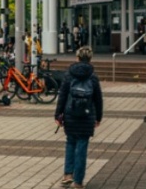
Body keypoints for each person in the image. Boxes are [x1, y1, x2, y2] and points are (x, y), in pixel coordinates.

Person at [54, 46, 103, 189]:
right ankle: (78, 182)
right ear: (90, 58)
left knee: (70, 143)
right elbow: (98, 99)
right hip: (87, 116)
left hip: (71, 114)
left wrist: (58, 114)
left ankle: (68, 174)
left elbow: (62, 95)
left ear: (77, 58)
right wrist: (98, 117)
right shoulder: (93, 76)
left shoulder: (69, 74)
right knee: (82, 147)